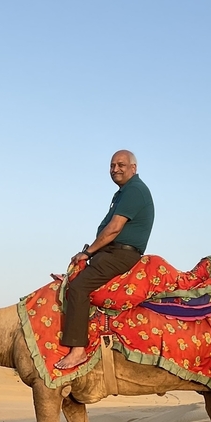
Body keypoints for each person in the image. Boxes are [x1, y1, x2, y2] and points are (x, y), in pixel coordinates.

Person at [55, 149, 155, 371]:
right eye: (112, 165)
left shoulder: (134, 191)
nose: (115, 169)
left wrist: (88, 252)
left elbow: (114, 229)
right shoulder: (123, 192)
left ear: (133, 168)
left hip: (120, 255)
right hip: (111, 253)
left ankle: (78, 349)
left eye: (121, 165)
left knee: (79, 287)